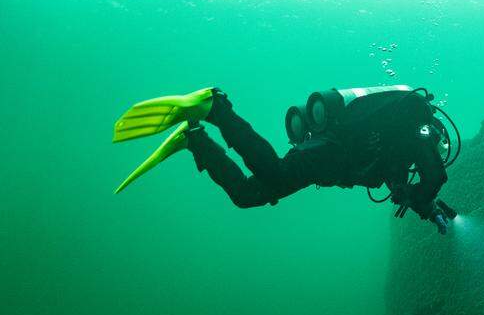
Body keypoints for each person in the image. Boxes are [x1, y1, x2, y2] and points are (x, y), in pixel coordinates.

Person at [112, 86, 458, 234]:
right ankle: (216, 108)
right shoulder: (420, 131)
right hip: (331, 152)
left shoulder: (397, 146)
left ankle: (194, 140)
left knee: (247, 195)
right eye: (440, 146)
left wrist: (427, 208)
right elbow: (434, 177)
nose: (437, 151)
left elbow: (397, 179)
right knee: (275, 173)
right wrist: (424, 197)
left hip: (328, 159)